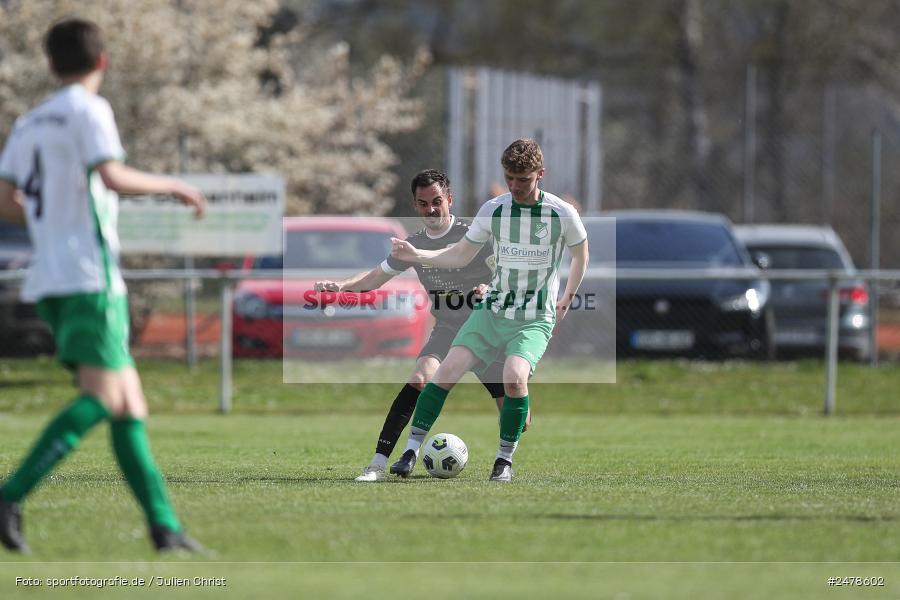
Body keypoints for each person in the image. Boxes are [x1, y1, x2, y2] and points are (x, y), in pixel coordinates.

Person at [0, 18, 207, 553]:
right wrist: (175, 186)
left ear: (50, 63)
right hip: (90, 277)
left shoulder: (28, 122)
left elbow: (6, 198)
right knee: (101, 398)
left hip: (50, 277)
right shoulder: (88, 109)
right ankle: (10, 494)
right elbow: (112, 175)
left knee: (127, 404)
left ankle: (165, 528)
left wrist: (52, 223)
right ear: (103, 61)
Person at [390, 139, 589, 482]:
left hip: (533, 318)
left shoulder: (561, 214)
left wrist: (566, 299)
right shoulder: (494, 209)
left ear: (541, 174)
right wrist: (419, 256)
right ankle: (409, 451)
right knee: (446, 372)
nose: (515, 186)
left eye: (523, 179)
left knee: (513, 379)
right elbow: (460, 254)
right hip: (491, 311)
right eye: (509, 178)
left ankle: (504, 461)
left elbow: (581, 255)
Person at [314, 169, 529, 482]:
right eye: (423, 203)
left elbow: (510, 272)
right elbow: (375, 276)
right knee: (419, 377)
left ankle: (503, 461)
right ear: (415, 206)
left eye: (437, 201)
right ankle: (377, 464)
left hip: (487, 331)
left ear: (449, 200)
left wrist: (492, 290)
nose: (431, 209)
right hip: (448, 330)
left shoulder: (475, 236)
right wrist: (341, 286)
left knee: (520, 420)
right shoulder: (411, 247)